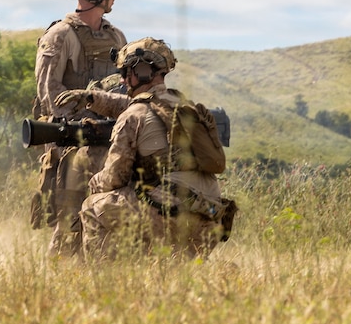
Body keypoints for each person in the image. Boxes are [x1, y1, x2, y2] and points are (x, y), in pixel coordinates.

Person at [55, 37, 235, 260]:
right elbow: (135, 104)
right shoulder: (182, 104)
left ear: (141, 71)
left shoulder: (133, 116)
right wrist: (92, 98)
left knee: (94, 207)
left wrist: (94, 183)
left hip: (171, 213)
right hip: (210, 216)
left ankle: (102, 281)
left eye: (126, 72)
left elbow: (115, 176)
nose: (123, 79)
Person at [32, 0, 128, 257]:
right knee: (69, 228)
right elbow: (49, 94)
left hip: (111, 144)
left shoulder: (117, 38)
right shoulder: (59, 36)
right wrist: (84, 118)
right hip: (71, 146)